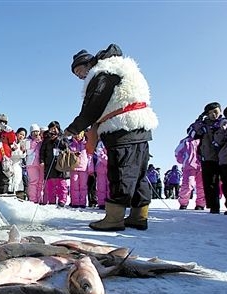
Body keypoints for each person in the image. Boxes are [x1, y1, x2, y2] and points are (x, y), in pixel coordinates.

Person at [65, 44, 159, 231]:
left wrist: (74, 128)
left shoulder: (103, 72)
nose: (80, 76)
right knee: (138, 174)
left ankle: (114, 219)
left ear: (87, 64)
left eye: (79, 71)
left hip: (122, 126)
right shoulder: (121, 67)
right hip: (139, 126)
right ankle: (139, 216)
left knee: (121, 172)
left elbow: (95, 105)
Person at [187, 102, 223, 213]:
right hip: (208, 157)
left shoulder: (226, 123)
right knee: (210, 183)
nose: (213, 115)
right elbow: (190, 133)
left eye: (216, 112)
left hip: (226, 158)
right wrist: (199, 121)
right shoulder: (203, 125)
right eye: (210, 113)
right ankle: (214, 207)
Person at [40, 120, 69, 206]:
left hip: (60, 163)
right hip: (49, 164)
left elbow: (66, 146)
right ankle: (51, 201)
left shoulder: (62, 137)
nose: (53, 130)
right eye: (51, 128)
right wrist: (41, 161)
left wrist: (57, 139)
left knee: (62, 184)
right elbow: (42, 151)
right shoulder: (46, 138)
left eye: (55, 128)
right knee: (50, 185)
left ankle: (62, 201)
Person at [175, 136, 205, 209]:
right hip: (189, 166)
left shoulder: (205, 139)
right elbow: (177, 152)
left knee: (202, 186)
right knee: (188, 184)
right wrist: (184, 160)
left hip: (202, 166)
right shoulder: (186, 141)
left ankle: (200, 204)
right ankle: (183, 203)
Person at [68, 131, 89, 208]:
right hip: (73, 167)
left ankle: (82, 202)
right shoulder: (70, 144)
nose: (77, 135)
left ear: (83, 133)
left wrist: (90, 168)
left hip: (84, 167)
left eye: (79, 133)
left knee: (83, 186)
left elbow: (90, 155)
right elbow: (68, 154)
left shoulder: (86, 143)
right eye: (75, 134)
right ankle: (75, 202)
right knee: (74, 186)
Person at [25, 123, 44, 203]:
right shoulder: (27, 141)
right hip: (31, 164)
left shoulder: (41, 141)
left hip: (40, 164)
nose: (36, 133)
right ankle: (33, 199)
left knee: (41, 182)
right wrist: (34, 142)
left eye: (37, 131)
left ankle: (40, 198)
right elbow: (28, 151)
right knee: (33, 182)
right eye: (34, 132)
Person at [9, 127, 27, 199]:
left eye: (23, 135)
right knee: (10, 181)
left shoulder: (23, 144)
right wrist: (17, 152)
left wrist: (23, 151)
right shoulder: (12, 142)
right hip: (10, 164)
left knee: (18, 181)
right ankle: (10, 195)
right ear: (17, 134)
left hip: (18, 165)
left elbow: (23, 156)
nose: (21, 136)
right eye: (20, 134)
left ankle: (19, 196)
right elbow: (10, 155)